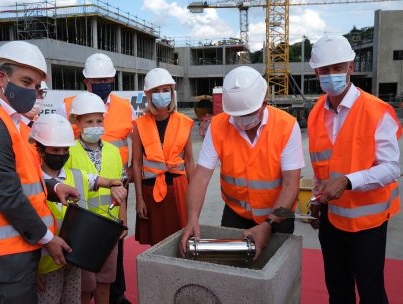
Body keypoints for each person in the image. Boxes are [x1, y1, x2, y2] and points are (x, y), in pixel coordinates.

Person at [0, 41, 78, 304]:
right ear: (1, 78)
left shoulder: (12, 123)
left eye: (36, 87)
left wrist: (54, 188)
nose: (32, 92)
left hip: (12, 253)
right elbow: (7, 194)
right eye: (26, 82)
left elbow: (25, 179)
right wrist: (47, 239)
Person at [307, 34, 401, 304]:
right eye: (325, 70)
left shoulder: (376, 110)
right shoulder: (315, 113)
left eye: (338, 68)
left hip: (368, 223)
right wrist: (317, 199)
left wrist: (348, 181)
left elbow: (392, 168)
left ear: (351, 67)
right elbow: (321, 167)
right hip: (332, 219)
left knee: (371, 292)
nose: (331, 75)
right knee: (337, 290)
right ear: (316, 72)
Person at [179, 66, 304, 259]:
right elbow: (201, 177)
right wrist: (192, 218)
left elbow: (291, 184)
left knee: (276, 272)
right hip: (235, 215)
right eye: (238, 115)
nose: (244, 120)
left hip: (279, 216)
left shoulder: (287, 126)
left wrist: (269, 224)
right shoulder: (218, 126)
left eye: (250, 113)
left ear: (264, 102)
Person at [30, 114, 125, 304]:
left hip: (73, 261)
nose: (61, 154)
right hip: (45, 265)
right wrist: (31, 271)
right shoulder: (33, 181)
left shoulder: (76, 175)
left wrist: (114, 184)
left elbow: (98, 180)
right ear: (40, 150)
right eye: (54, 149)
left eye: (65, 150)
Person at [63, 53, 134, 304]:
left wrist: (123, 217)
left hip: (110, 216)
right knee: (84, 284)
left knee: (107, 278)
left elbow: (119, 181)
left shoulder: (124, 108)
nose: (95, 124)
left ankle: (117, 296)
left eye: (106, 78)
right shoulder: (69, 109)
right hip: (81, 221)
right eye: (96, 79)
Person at [133, 68, 195, 245]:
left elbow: (190, 161)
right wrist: (139, 199)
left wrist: (194, 196)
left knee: (182, 242)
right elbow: (136, 164)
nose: (161, 94)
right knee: (156, 243)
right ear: (149, 95)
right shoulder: (139, 125)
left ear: (172, 93)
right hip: (150, 192)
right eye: (156, 91)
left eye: (165, 90)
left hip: (179, 188)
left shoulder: (184, 122)